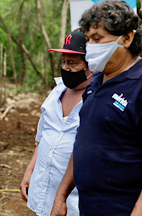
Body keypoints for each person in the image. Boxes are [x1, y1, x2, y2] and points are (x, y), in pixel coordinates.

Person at [51, 0, 142, 216]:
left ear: (127, 38)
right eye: (88, 39)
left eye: (97, 39)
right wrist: (61, 196)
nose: (90, 47)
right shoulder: (96, 82)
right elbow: (83, 142)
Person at [20, 29, 93, 215]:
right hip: (44, 189)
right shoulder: (56, 93)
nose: (67, 68)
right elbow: (43, 137)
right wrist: (30, 172)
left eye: (73, 63)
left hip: (77, 200)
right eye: (65, 62)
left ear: (91, 65)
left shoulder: (97, 100)